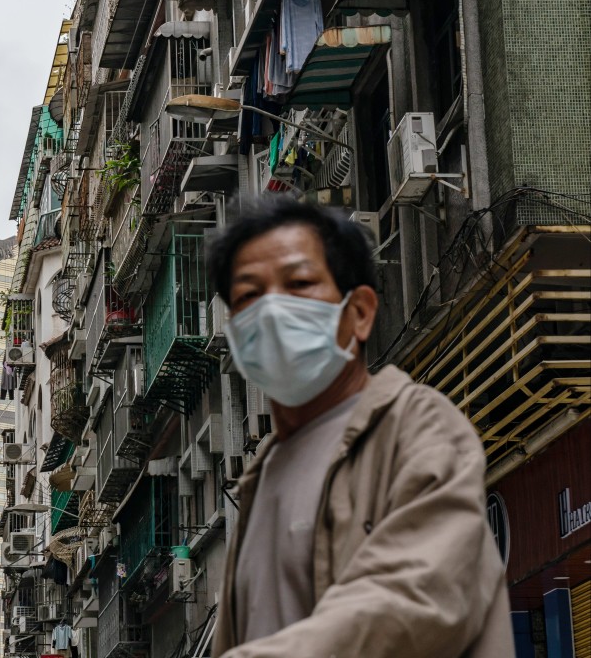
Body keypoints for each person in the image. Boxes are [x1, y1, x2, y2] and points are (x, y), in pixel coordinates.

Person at [208, 197, 513, 658]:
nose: (272, 312)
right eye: (250, 295)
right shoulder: (257, 482)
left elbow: (413, 599)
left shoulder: (416, 427)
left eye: (300, 284)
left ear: (360, 313)